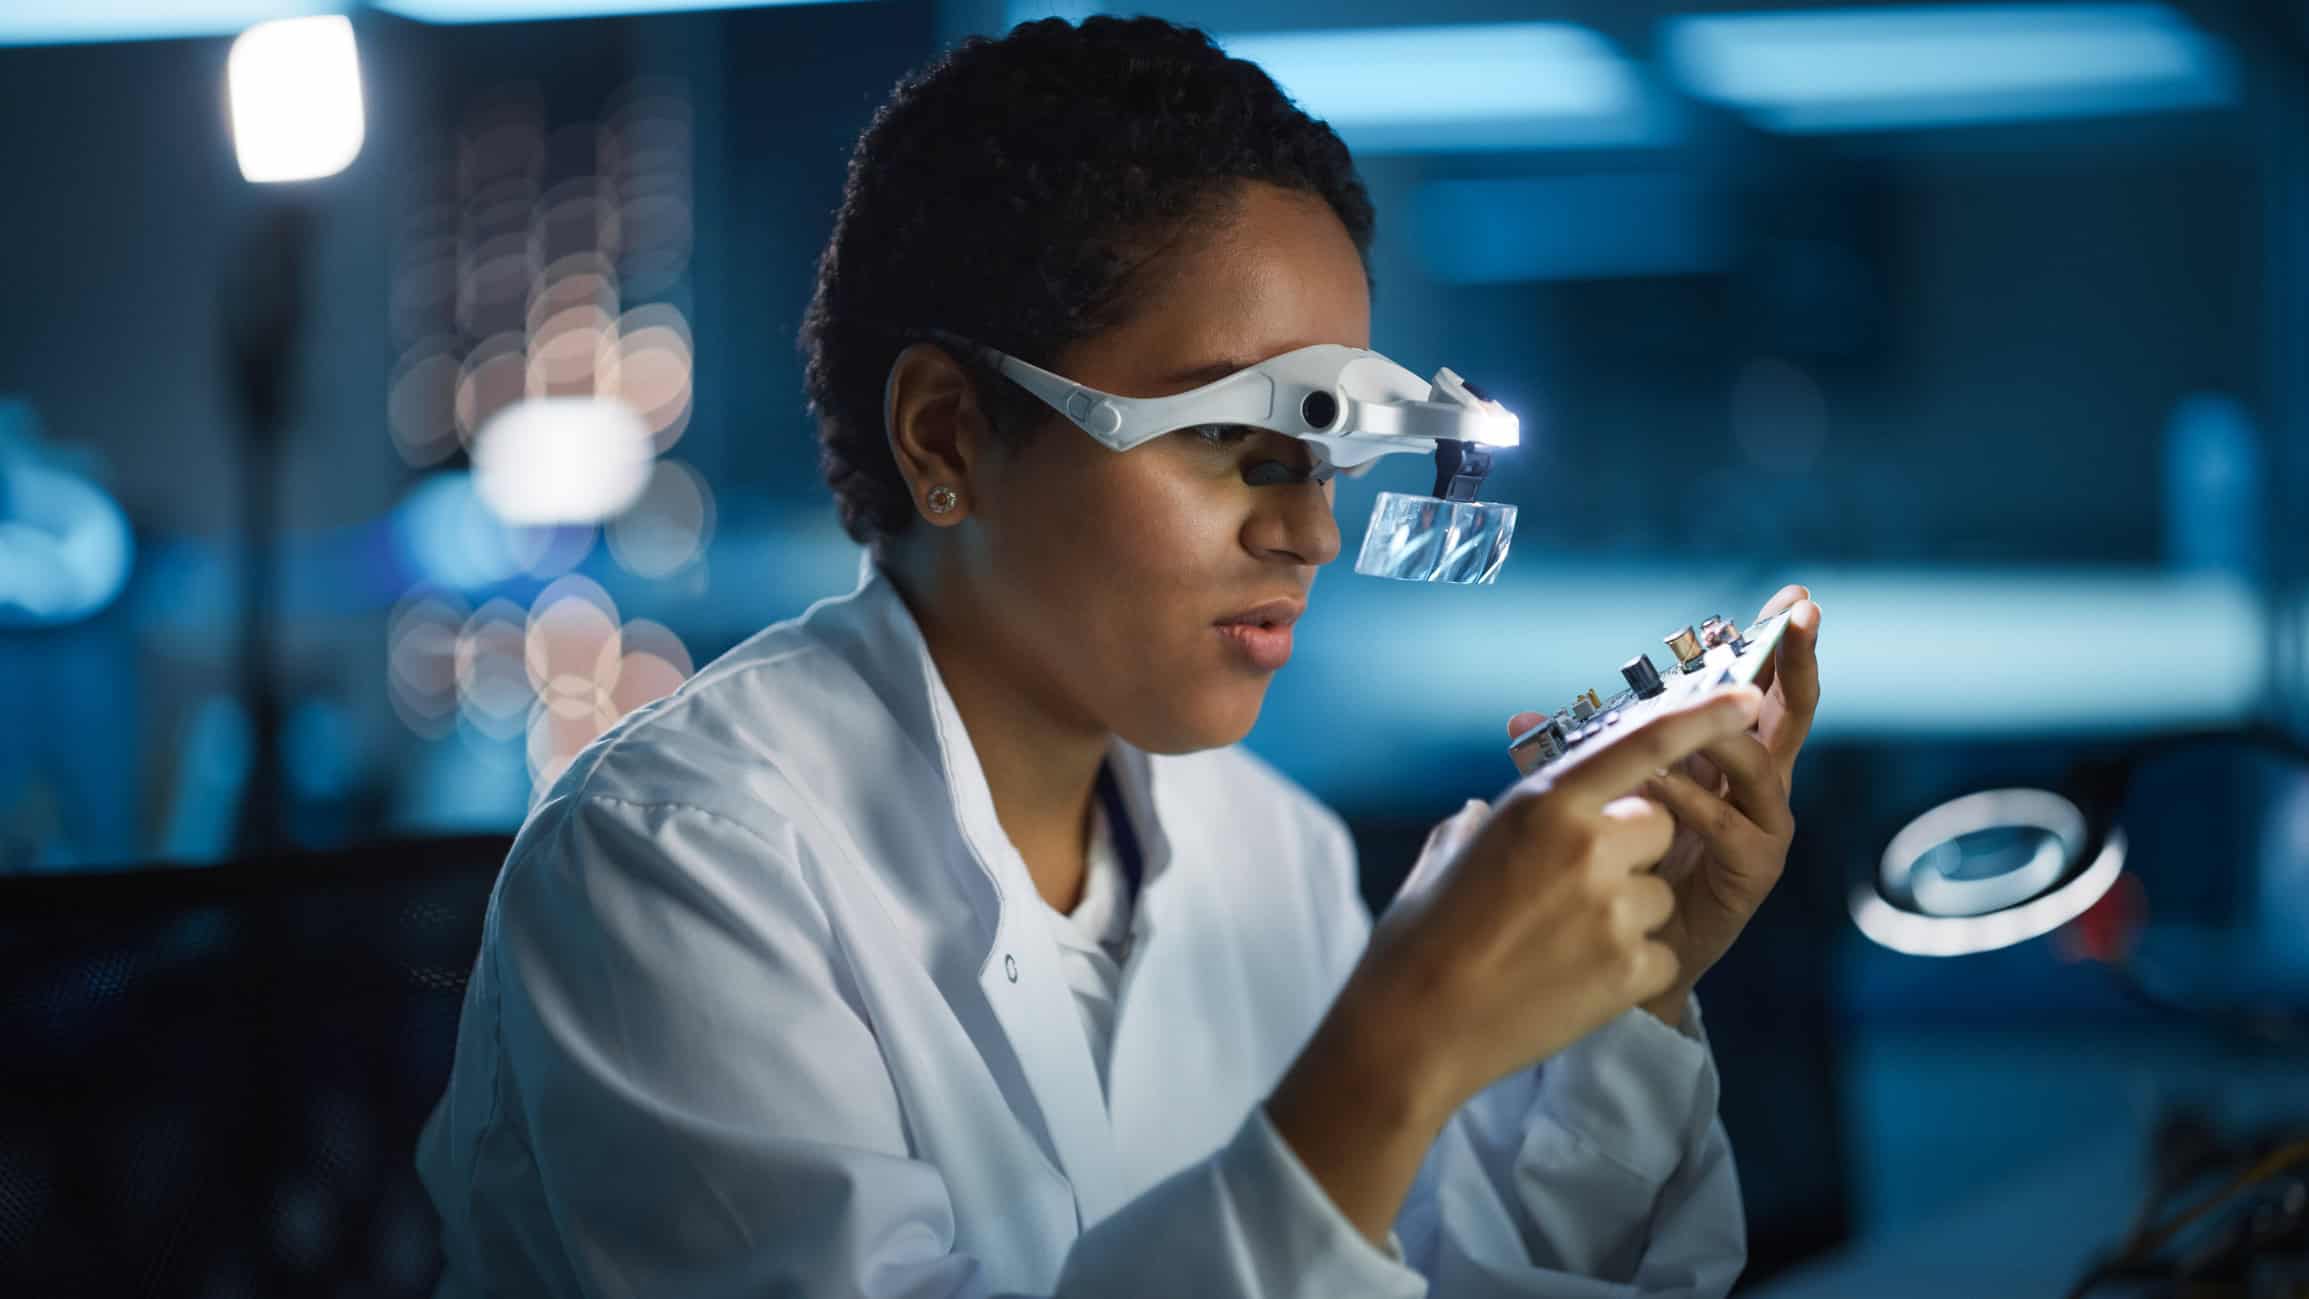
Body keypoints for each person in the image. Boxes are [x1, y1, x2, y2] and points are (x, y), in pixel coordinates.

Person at [415, 16, 1824, 1297]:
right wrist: (1399, 1041)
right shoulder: (676, 863)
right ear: (949, 436)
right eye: (1229, 440)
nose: (1309, 534)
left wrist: (1627, 993)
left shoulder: (1268, 848)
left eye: (1329, 462)